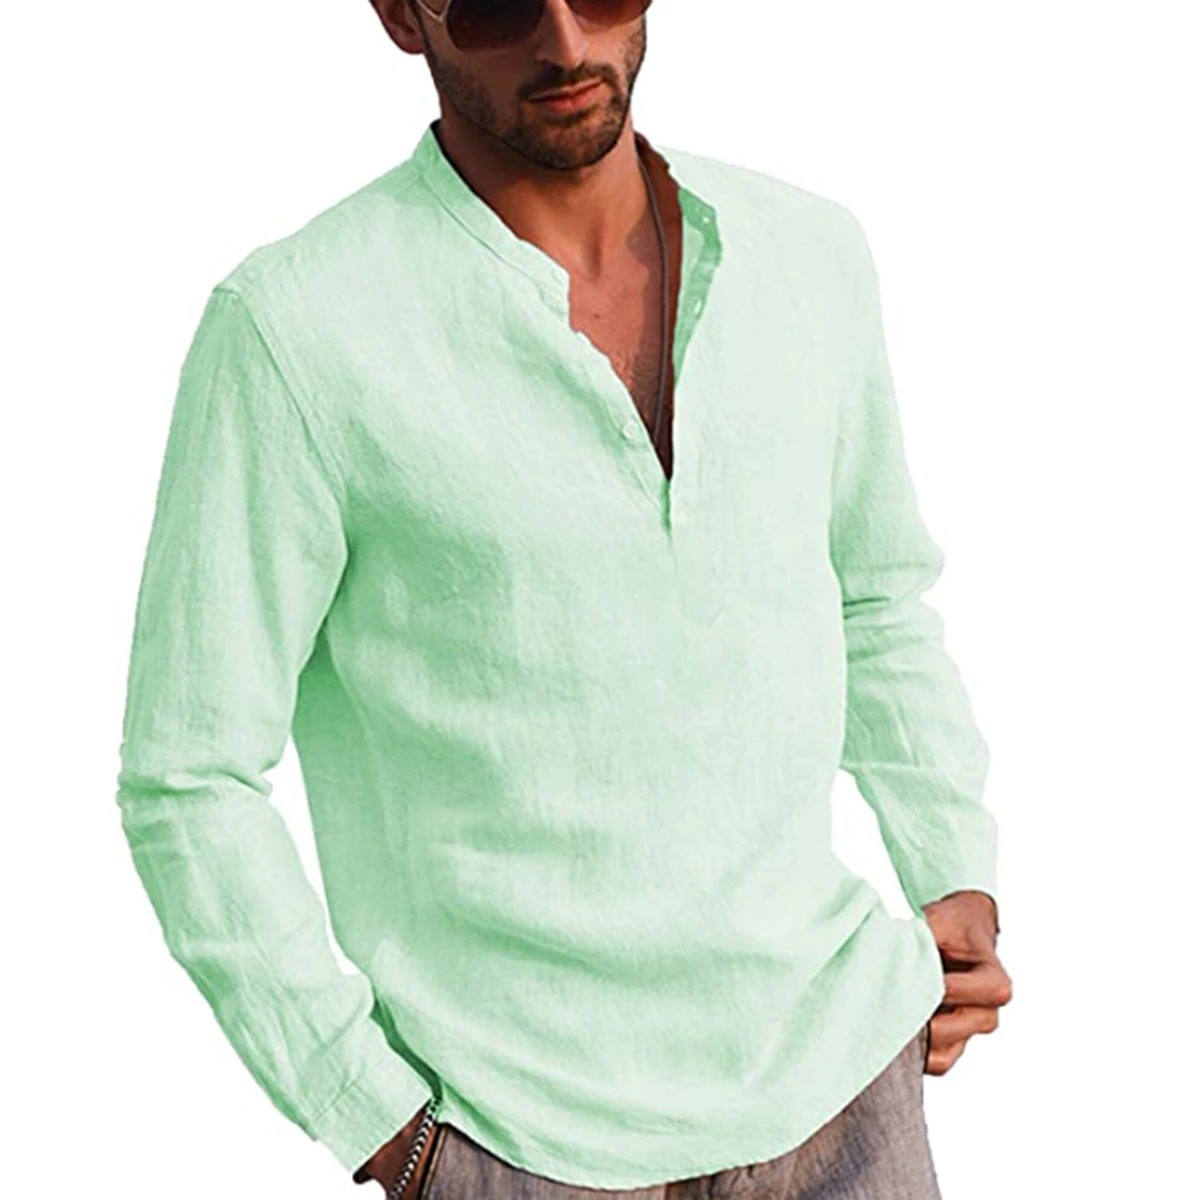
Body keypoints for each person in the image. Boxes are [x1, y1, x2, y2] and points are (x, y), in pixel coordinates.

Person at [114, 1, 1013, 1197]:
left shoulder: (809, 256)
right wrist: (375, 1119)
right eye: (495, 3)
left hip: (843, 1090)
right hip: (519, 1134)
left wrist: (953, 867)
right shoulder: (295, 331)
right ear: (400, 14)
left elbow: (876, 596)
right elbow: (187, 775)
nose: (565, 43)